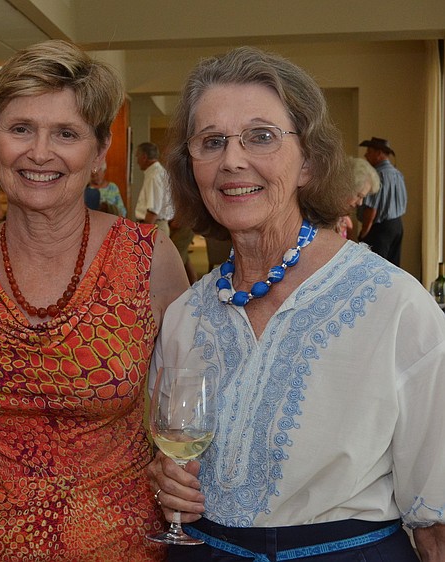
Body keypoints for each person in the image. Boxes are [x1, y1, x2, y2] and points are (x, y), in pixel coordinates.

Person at [147, 46, 445, 561]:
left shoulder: (396, 305)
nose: (232, 160)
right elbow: (169, 450)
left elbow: (436, 520)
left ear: (308, 161)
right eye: (211, 142)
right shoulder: (185, 316)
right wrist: (165, 478)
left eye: (261, 137)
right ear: (191, 167)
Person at [0, 39, 189, 561]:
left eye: (65, 133)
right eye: (20, 128)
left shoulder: (147, 256)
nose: (39, 152)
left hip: (118, 545)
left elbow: (189, 407)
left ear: (98, 152)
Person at [357, 136, 407, 266]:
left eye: (369, 151)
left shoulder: (377, 175)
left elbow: (371, 208)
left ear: (378, 153)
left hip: (380, 229)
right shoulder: (397, 173)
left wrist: (363, 233)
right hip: (397, 226)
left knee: (375, 268)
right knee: (393, 268)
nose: (366, 155)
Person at [134, 141, 174, 236]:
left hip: (154, 227)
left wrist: (143, 233)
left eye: (137, 156)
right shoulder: (158, 172)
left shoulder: (154, 176)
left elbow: (153, 210)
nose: (137, 161)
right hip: (156, 226)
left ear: (144, 157)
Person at [335, 157, 380, 240]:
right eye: (359, 196)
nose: (360, 203)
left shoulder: (345, 221)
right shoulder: (321, 218)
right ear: (345, 187)